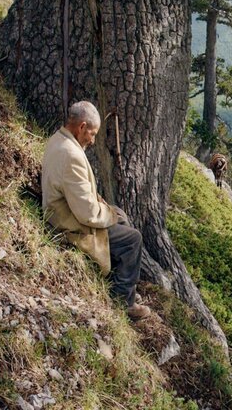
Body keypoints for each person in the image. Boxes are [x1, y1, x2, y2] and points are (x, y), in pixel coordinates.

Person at [41, 101, 149, 320]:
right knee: (133, 239)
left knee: (121, 216)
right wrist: (108, 213)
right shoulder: (71, 155)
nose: (92, 139)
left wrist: (111, 211)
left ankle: (124, 284)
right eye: (92, 133)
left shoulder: (58, 139)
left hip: (62, 209)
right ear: (81, 127)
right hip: (68, 223)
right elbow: (87, 214)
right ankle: (123, 302)